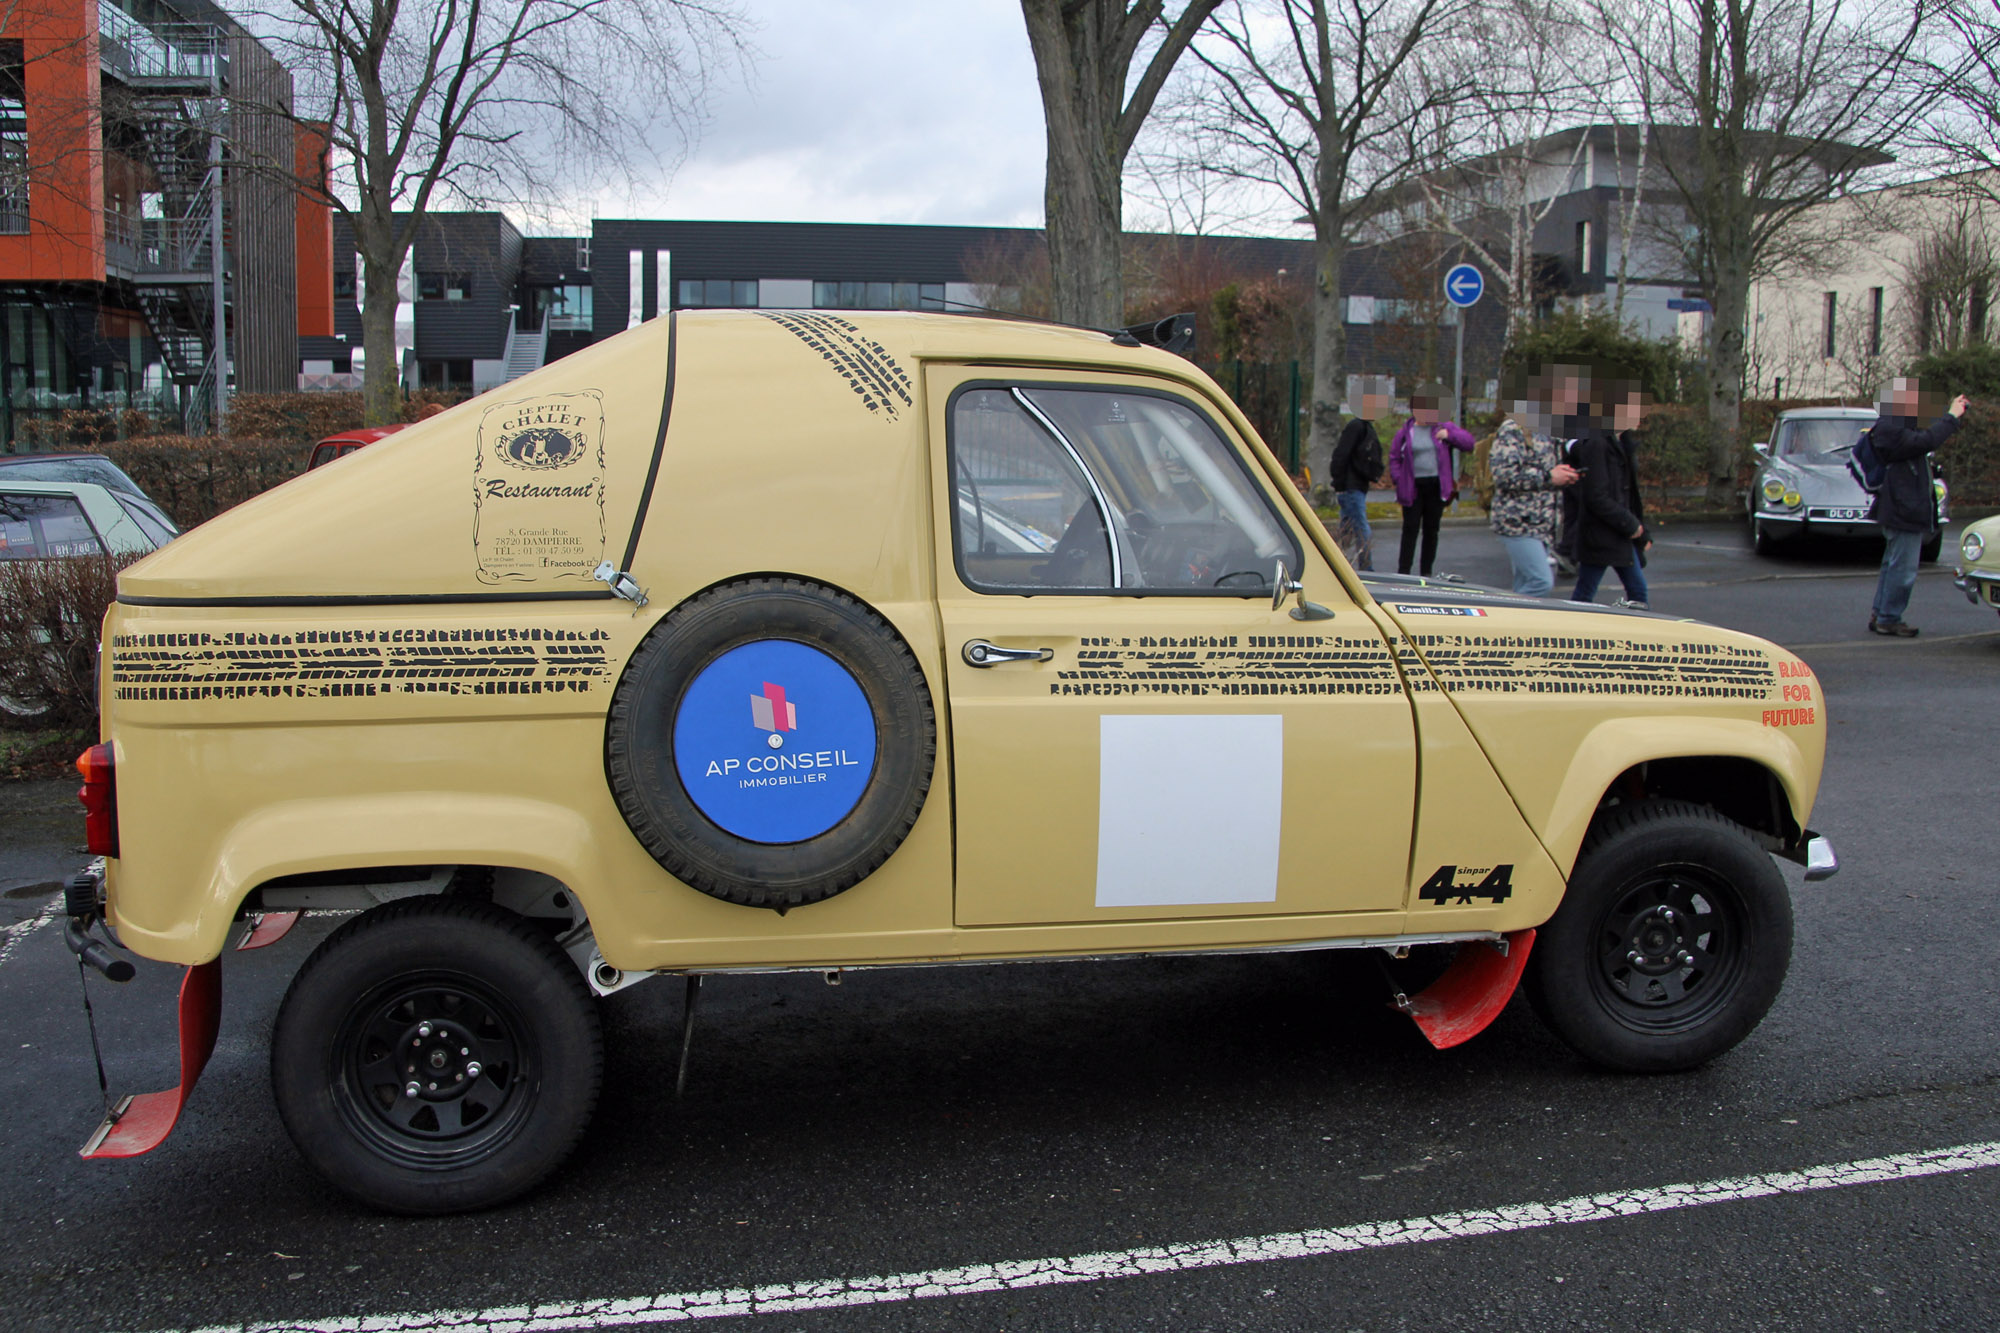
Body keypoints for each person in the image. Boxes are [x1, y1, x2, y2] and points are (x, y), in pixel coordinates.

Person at [1866, 377, 1968, 637]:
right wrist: (1952, 417)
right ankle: (1889, 617)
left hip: (1900, 506)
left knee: (1894, 563)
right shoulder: (1892, 430)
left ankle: (1882, 613)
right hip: (1903, 508)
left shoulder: (1892, 426)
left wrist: (1949, 412)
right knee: (1903, 567)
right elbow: (1927, 440)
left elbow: (1925, 433)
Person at [1488, 370, 1579, 596]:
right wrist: (1549, 477)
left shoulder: (1550, 432)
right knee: (1540, 582)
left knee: (1523, 585)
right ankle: (1502, 620)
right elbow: (1504, 474)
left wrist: (1565, 474)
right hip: (1518, 521)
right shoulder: (1514, 429)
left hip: (1542, 525)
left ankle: (1513, 629)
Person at [1568, 377, 1651, 608]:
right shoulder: (1597, 443)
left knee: (1630, 591)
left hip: (1616, 533)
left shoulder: (1621, 444)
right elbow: (1597, 495)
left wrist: (1641, 531)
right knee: (1590, 594)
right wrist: (1631, 525)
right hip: (1602, 534)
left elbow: (1629, 494)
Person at [1388, 385, 1476, 576]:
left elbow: (1469, 443)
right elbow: (1394, 457)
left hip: (1436, 485)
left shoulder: (1443, 427)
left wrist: (1449, 435)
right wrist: (1398, 479)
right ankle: (1403, 571)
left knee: (1431, 529)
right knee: (1410, 528)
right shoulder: (1405, 432)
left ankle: (1426, 572)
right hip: (1412, 486)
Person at [1329, 378, 1390, 570]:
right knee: (1361, 527)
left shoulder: (1361, 427)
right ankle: (1366, 567)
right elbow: (1342, 454)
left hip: (1351, 485)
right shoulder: (1359, 427)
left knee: (1346, 527)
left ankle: (1336, 563)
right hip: (1352, 485)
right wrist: (1339, 481)